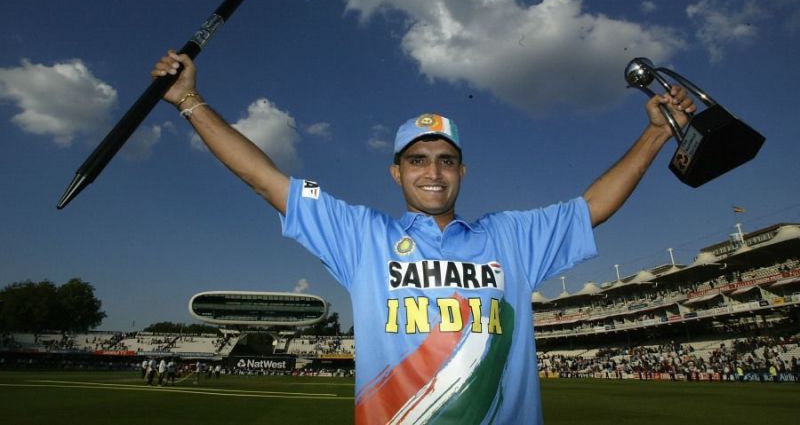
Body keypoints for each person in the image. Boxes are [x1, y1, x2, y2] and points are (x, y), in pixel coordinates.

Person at [152, 51, 695, 424]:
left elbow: (593, 205)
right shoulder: (361, 233)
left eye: (445, 160)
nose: (432, 172)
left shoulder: (510, 236)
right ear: (397, 172)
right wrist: (190, 101)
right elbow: (265, 178)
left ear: (462, 171)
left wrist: (653, 133)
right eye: (417, 159)